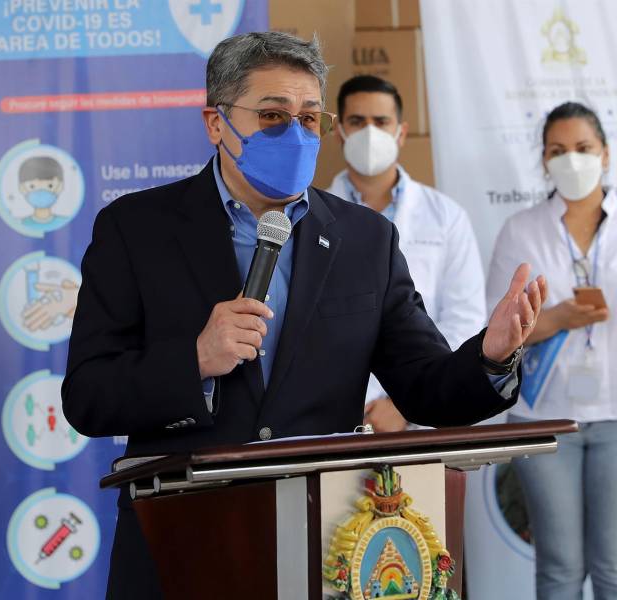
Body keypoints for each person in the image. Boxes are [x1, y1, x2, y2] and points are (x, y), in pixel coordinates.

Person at [62, 32, 545, 600]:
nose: (294, 134)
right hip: (183, 538)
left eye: (309, 118)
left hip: (326, 539)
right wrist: (194, 360)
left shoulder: (366, 239)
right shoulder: (136, 229)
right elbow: (89, 396)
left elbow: (425, 388)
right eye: (272, 116)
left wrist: (491, 356)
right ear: (216, 123)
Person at [487, 102, 615, 600]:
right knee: (560, 567)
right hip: (544, 419)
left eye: (583, 148)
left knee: (613, 568)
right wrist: (556, 319)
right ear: (543, 160)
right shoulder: (521, 230)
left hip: (615, 415)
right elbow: (495, 333)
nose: (571, 160)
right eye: (558, 151)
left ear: (605, 154)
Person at [327, 75, 487, 432]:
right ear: (339, 132)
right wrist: (361, 402)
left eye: (381, 122)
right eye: (357, 122)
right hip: (340, 412)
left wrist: (403, 403)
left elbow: (464, 318)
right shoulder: (310, 217)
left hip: (423, 409)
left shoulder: (447, 217)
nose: (370, 133)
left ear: (401, 132)